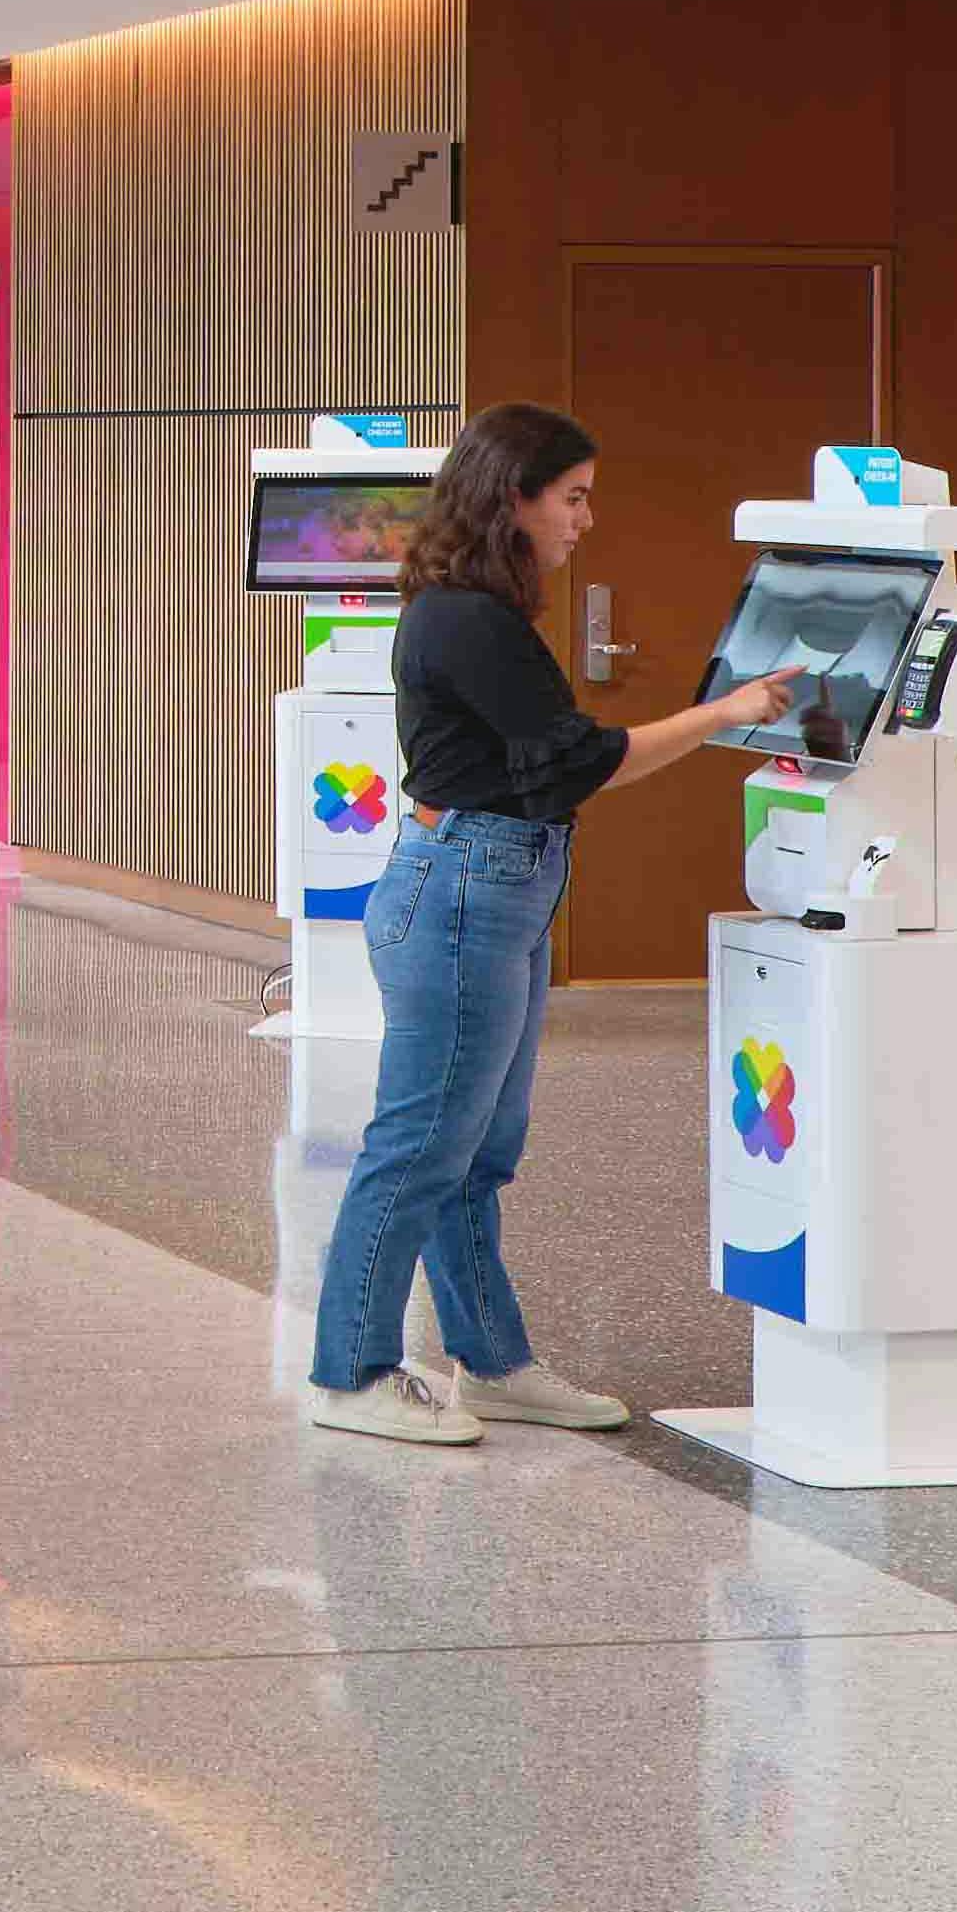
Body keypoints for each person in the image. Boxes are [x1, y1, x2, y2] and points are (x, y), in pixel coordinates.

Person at [298, 401, 798, 1451]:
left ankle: (490, 1364)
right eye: (570, 498)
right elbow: (578, 759)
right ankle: (347, 1373)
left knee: (475, 1151)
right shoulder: (466, 620)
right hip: (461, 893)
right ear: (511, 499)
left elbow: (557, 765)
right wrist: (724, 712)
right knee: (419, 1144)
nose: (585, 520)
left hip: (495, 885)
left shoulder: (475, 609)